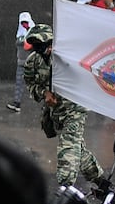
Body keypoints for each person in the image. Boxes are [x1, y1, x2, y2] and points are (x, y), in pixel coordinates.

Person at [22, 25, 104, 187]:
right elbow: (31, 85)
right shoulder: (32, 61)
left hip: (75, 109)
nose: (42, 49)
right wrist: (44, 93)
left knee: (68, 147)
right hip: (56, 112)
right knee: (77, 148)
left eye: (45, 44)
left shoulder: (67, 57)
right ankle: (101, 182)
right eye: (37, 45)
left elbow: (86, 76)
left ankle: (65, 187)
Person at [8, 12, 34, 112]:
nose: (24, 25)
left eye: (26, 22)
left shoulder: (33, 32)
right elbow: (20, 43)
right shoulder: (20, 33)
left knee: (40, 84)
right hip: (21, 63)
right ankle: (17, 103)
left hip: (32, 63)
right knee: (19, 83)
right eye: (22, 23)